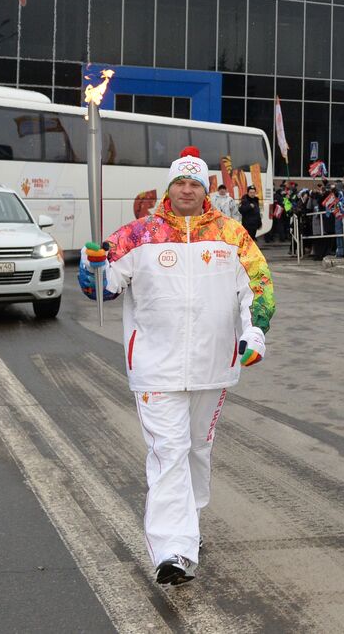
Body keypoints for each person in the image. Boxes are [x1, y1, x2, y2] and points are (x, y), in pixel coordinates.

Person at [79, 146, 274, 587]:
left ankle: (191, 523)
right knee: (169, 453)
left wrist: (255, 332)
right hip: (154, 367)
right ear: (169, 188)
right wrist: (93, 269)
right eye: (180, 183)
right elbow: (103, 289)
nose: (187, 190)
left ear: (204, 189)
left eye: (195, 184)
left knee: (196, 450)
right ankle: (174, 550)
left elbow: (258, 286)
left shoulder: (232, 234)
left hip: (214, 366)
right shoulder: (137, 234)